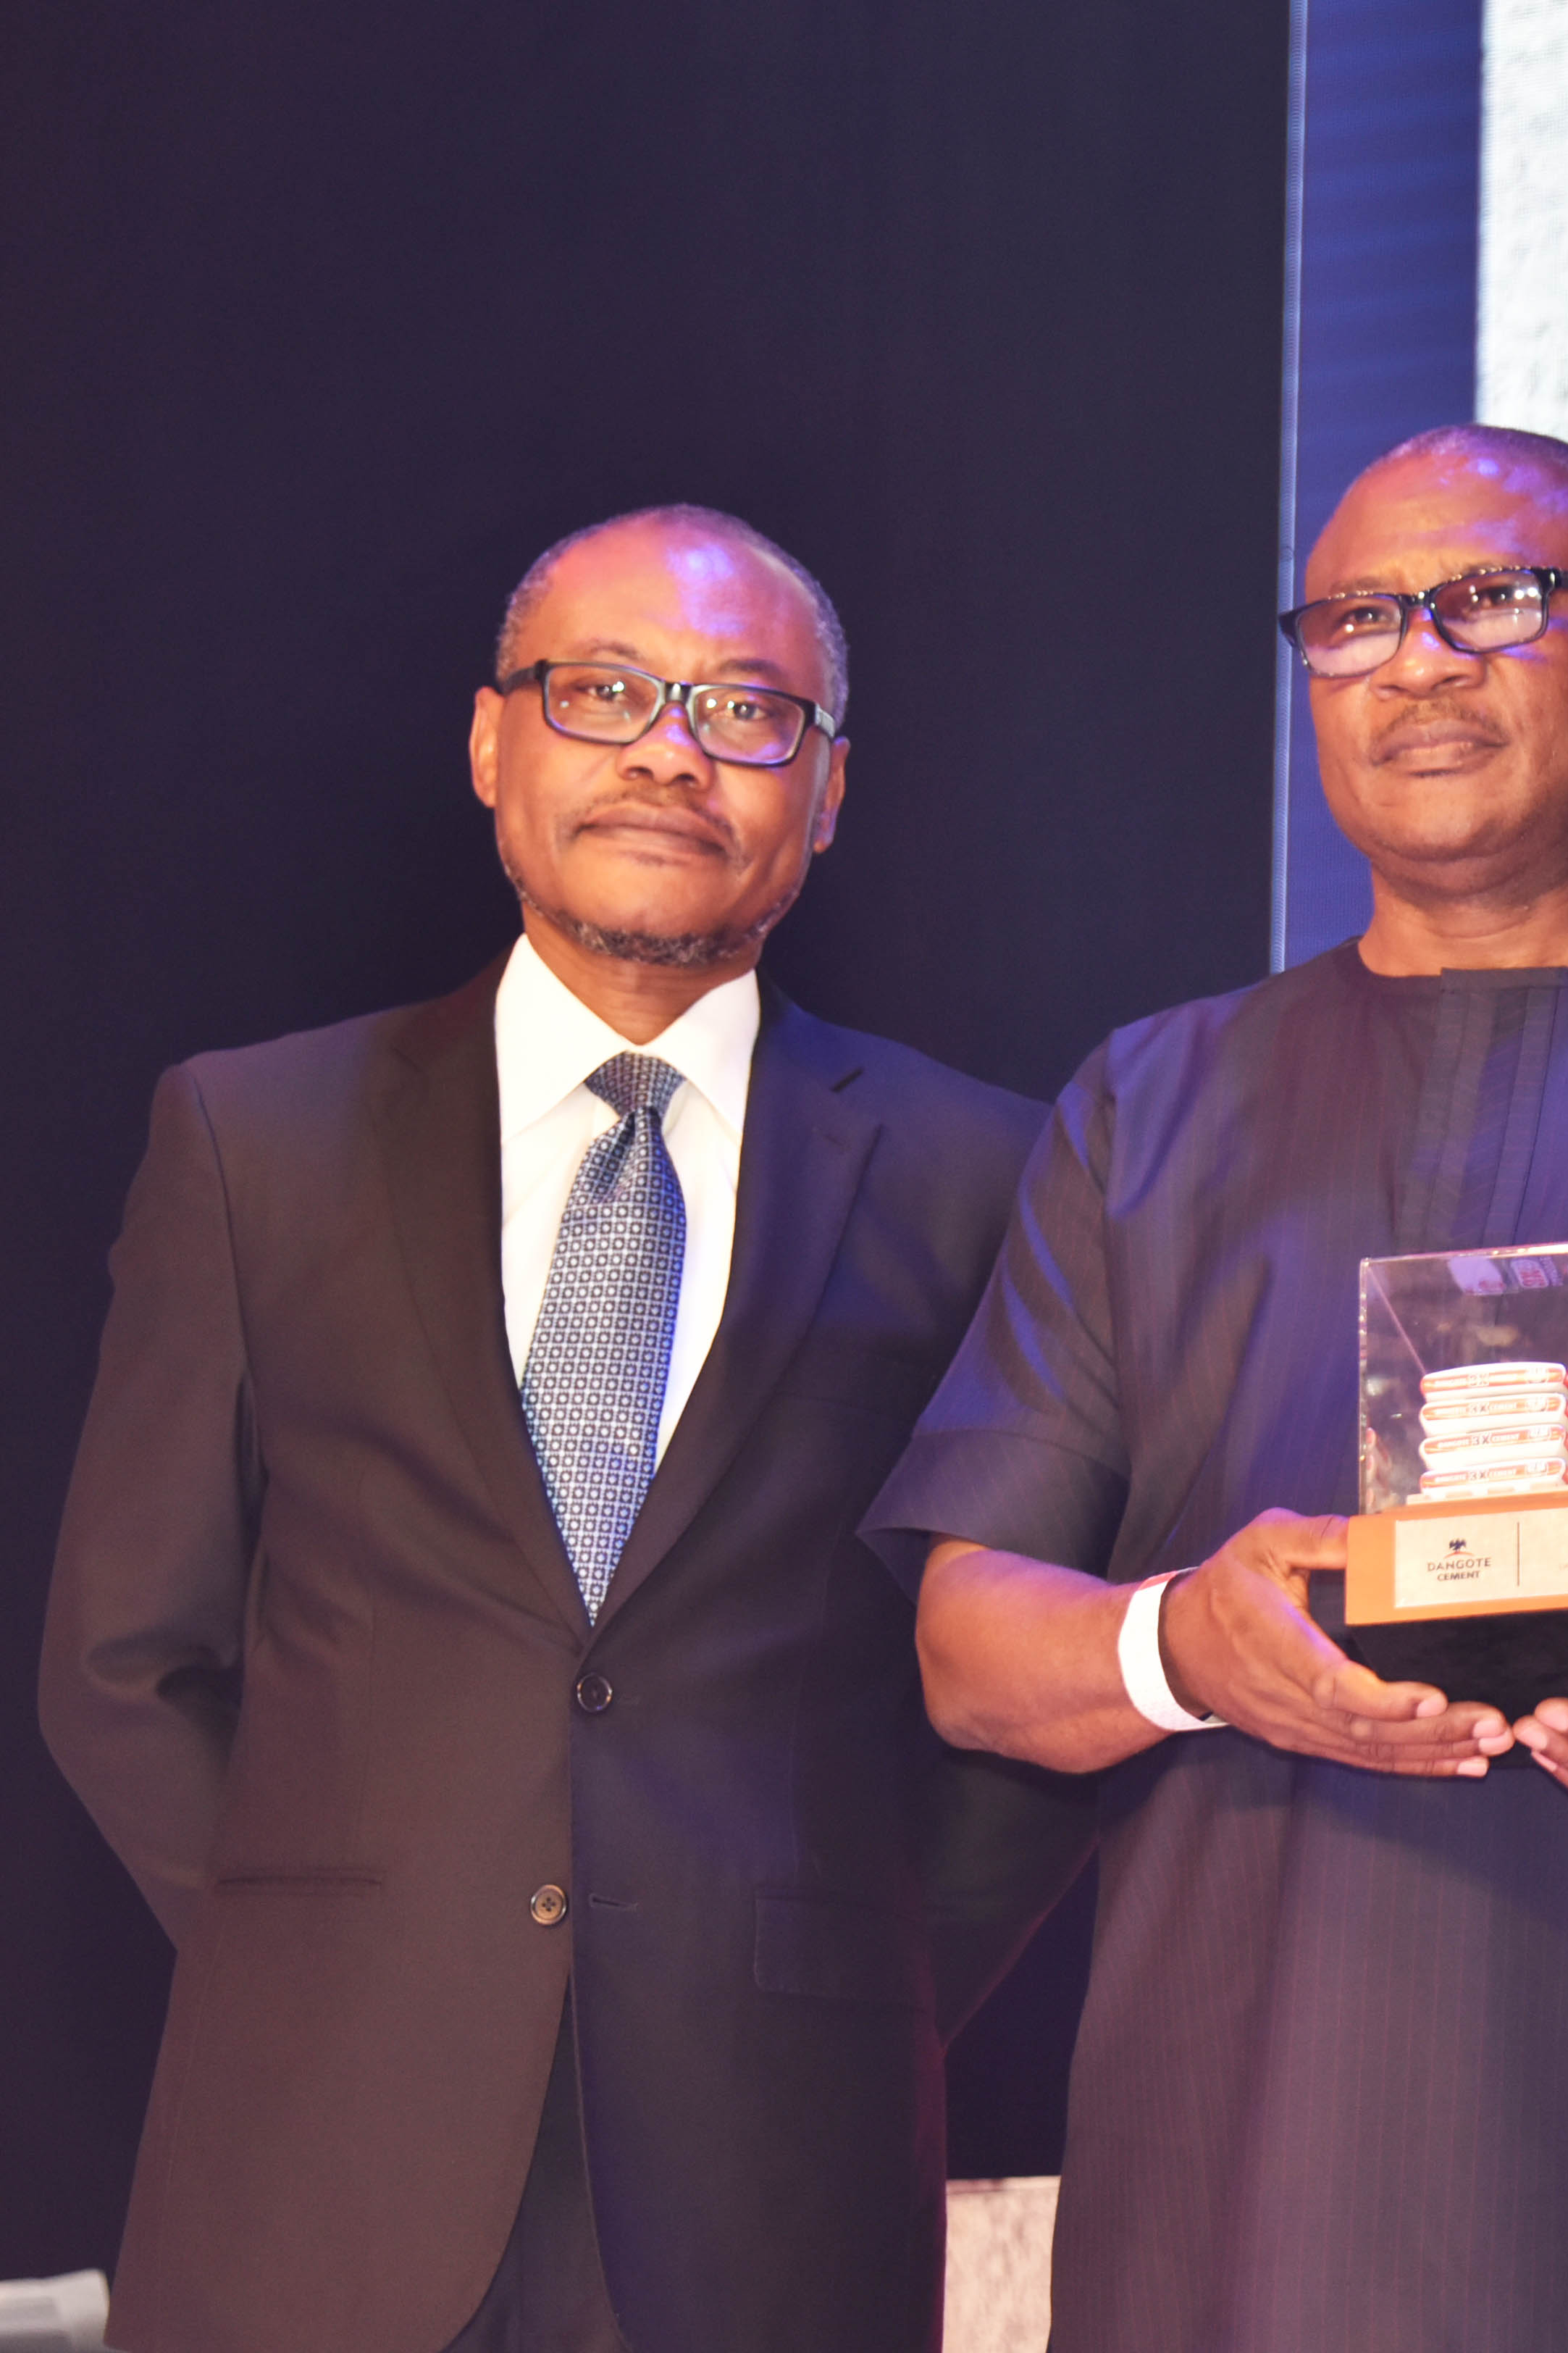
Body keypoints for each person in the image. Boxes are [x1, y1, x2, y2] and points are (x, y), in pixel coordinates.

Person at [871, 425, 1568, 2353]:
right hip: (1237, 2186)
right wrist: (1185, 1647)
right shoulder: (1149, 1106)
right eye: (1357, 618)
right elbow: (969, 1646)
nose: (1418, 660)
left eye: (1492, 600)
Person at [40, 506, 1085, 2353]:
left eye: (749, 712)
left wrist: (849, 1989)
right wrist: (348, 1970)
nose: (673, 749)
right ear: (490, 741)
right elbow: (124, 1659)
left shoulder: (983, 1175)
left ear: (828, 790)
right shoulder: (252, 1142)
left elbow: (1029, 1693)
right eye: (604, 692)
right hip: (312, 2184)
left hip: (776, 2181)